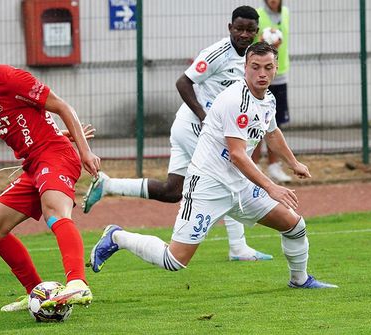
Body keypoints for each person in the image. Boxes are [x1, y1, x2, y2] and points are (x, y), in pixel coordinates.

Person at [89, 42, 338, 290]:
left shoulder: (267, 98)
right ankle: (117, 236)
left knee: (294, 225)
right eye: (255, 67)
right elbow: (238, 155)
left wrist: (294, 163)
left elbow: (272, 133)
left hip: (239, 185)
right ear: (245, 67)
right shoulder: (235, 101)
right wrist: (271, 187)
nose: (262, 73)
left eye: (268, 68)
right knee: (174, 260)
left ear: (275, 69)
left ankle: (300, 280)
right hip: (208, 185)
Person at [83, 6, 273, 261]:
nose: (244, 34)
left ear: (256, 31)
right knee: (228, 173)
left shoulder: (252, 57)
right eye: (239, 28)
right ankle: (237, 247)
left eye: (250, 30)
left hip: (196, 129)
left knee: (173, 190)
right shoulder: (217, 53)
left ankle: (108, 184)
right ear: (230, 28)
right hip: (194, 127)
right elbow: (183, 82)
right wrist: (204, 117)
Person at [0, 25, 101, 312]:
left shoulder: (12, 78)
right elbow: (27, 119)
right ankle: (36, 293)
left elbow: (63, 107)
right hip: (35, 162)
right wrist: (56, 135)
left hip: (55, 156)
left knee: (54, 211)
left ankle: (78, 283)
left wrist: (84, 151)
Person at [252, 0, 292, 182]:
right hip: (260, 74)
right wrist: (262, 43)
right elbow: (250, 42)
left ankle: (274, 166)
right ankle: (254, 165)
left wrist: (278, 42)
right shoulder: (257, 14)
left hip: (280, 72)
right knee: (256, 121)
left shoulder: (286, 13)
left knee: (275, 123)